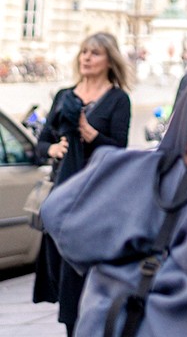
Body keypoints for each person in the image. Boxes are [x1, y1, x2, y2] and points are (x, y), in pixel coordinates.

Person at [33, 32, 132, 336]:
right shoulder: (65, 95)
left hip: (96, 198)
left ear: (109, 60)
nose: (87, 58)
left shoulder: (118, 99)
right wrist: (52, 149)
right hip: (63, 194)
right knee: (62, 270)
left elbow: (119, 150)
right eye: (84, 52)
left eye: (95, 53)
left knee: (86, 273)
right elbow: (42, 141)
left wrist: (92, 135)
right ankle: (70, 326)